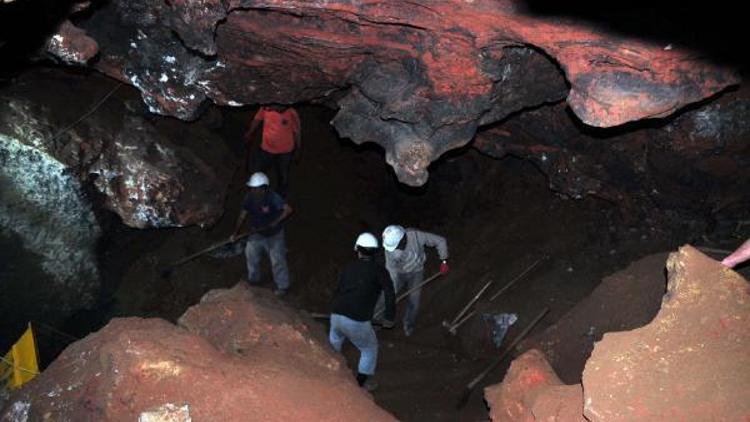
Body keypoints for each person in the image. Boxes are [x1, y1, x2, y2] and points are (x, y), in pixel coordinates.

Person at [329, 233, 396, 392]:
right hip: (357, 320)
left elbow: (338, 289)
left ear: (357, 249)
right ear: (375, 252)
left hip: (336, 315)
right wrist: (389, 318)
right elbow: (390, 295)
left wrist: (334, 309)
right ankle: (360, 384)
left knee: (334, 344)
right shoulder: (380, 271)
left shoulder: (349, 266)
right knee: (369, 348)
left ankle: (330, 374)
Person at [377, 225, 450, 337]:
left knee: (414, 300)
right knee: (385, 295)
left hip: (416, 272)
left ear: (403, 239)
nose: (394, 250)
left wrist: (444, 260)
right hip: (399, 273)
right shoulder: (389, 250)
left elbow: (440, 241)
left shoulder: (416, 236)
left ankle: (408, 324)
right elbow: (391, 270)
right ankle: (375, 320)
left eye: (396, 246)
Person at [231, 172, 293, 297]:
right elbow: (243, 214)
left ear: (263, 187)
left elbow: (288, 209)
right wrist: (235, 232)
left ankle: (282, 286)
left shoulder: (273, 197)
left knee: (277, 260)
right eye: (252, 188)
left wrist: (275, 222)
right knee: (251, 254)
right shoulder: (249, 197)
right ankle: (254, 280)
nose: (253, 190)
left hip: (274, 234)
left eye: (255, 188)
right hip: (257, 232)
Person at [244, 104, 301, 198]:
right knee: (257, 171)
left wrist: (298, 149)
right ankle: (256, 194)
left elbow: (297, 132)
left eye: (272, 107)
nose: (269, 108)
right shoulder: (265, 108)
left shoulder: (291, 113)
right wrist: (250, 132)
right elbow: (257, 119)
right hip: (267, 148)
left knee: (283, 176)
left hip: (285, 151)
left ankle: (279, 199)